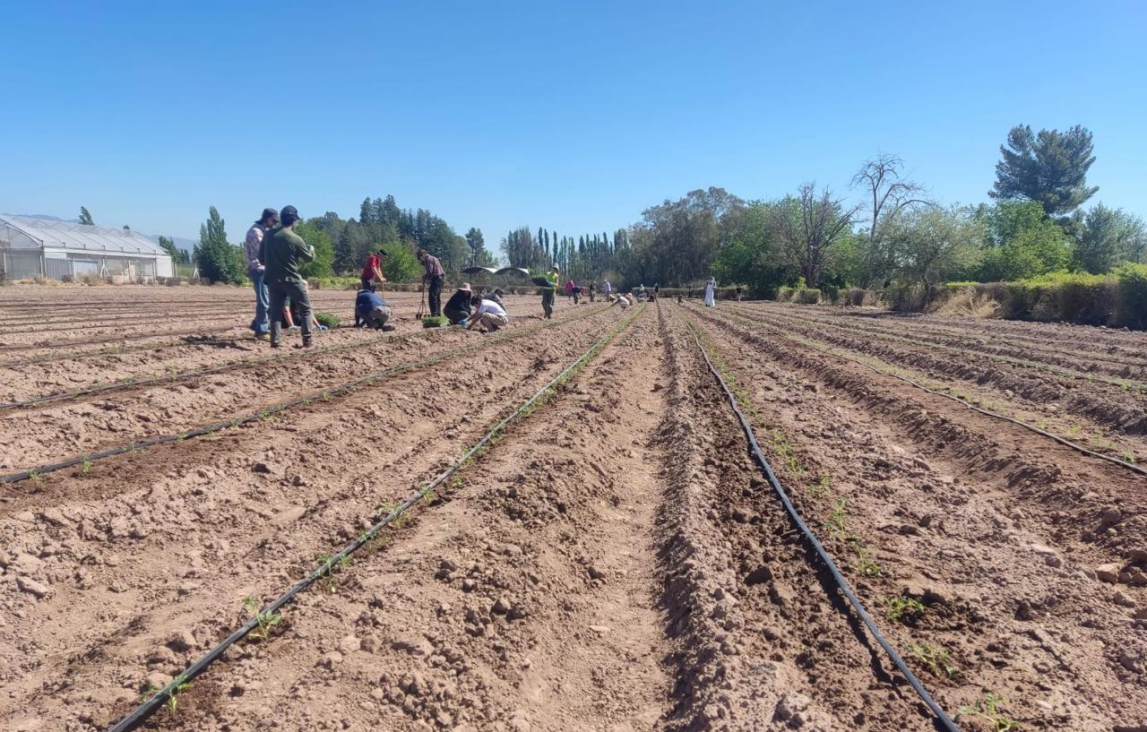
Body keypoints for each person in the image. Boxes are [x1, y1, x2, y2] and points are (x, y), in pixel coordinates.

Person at [259, 205, 316, 348]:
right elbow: (309, 259)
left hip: (272, 279)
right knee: (306, 310)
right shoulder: (295, 239)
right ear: (294, 221)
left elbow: (261, 259)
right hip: (292, 280)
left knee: (275, 312)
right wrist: (312, 251)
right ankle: (308, 342)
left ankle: (275, 343)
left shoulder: (268, 235)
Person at [245, 208, 278, 341]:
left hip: (266, 269)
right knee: (264, 301)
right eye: (273, 220)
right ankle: (262, 331)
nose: (275, 223)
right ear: (266, 218)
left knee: (268, 300)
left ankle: (257, 324)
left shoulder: (265, 231)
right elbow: (263, 252)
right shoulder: (255, 232)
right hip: (258, 269)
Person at [417, 249, 446, 317]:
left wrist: (425, 277)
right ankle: (438, 313)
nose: (421, 260)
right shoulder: (434, 258)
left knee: (432, 297)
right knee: (437, 297)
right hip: (441, 278)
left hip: (436, 278)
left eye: (420, 258)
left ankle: (434, 314)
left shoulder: (427, 259)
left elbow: (430, 272)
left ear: (422, 255)